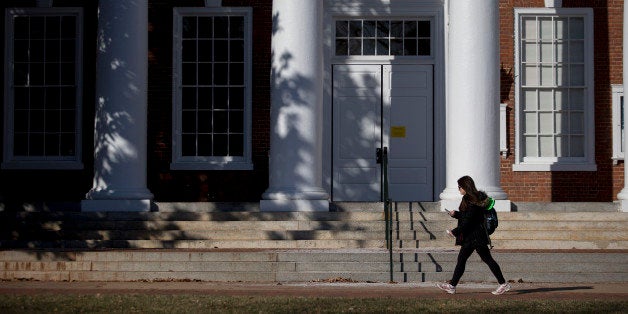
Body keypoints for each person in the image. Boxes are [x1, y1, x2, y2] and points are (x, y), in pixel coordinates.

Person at [436, 175, 511, 295]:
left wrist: (455, 231)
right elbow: (469, 217)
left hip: (475, 236)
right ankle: (452, 285)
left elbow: (469, 221)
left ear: (465, 186)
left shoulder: (470, 200)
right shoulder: (473, 199)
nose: (458, 189)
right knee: (466, 259)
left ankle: (503, 284)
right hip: (473, 235)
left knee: (481, 259)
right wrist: (456, 214)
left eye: (459, 186)